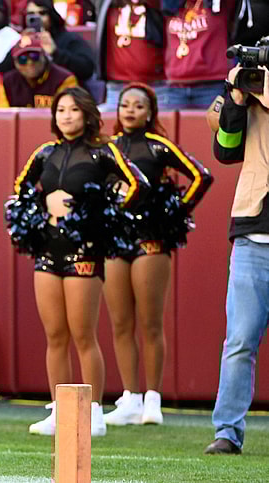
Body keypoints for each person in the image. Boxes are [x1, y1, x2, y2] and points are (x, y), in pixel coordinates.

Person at [10, 87, 148, 437]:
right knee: (55, 335)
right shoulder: (45, 153)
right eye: (60, 110)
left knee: (83, 334)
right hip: (48, 249)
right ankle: (58, 411)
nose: (66, 116)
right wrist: (37, 215)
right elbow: (21, 189)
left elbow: (137, 184)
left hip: (84, 250)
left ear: (87, 115)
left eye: (73, 110)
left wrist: (104, 215)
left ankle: (95, 412)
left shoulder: (104, 153)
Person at [102, 82, 213, 427]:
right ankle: (130, 397)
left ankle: (153, 398)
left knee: (150, 323)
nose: (130, 110)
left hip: (151, 240)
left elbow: (201, 176)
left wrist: (174, 212)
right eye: (125, 105)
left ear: (150, 111)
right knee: (120, 323)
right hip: (115, 241)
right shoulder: (106, 149)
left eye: (138, 105)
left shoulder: (158, 146)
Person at [203, 61, 269, 455]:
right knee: (240, 341)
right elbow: (225, 151)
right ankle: (227, 432)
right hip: (253, 236)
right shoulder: (250, 97)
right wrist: (237, 98)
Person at [0, 0, 96, 83]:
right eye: (31, 14)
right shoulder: (22, 41)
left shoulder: (69, 38)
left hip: (64, 95)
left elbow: (87, 69)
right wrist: (19, 47)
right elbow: (0, 72)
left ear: (51, 15)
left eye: (42, 13)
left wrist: (55, 52)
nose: (38, 18)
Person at [3, 32, 78, 107]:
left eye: (34, 56)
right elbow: (3, 115)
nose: (30, 63)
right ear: (15, 62)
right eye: (23, 59)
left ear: (44, 55)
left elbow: (68, 114)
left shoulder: (64, 79)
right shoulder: (7, 81)